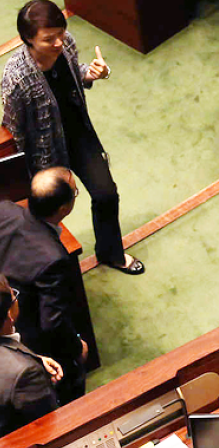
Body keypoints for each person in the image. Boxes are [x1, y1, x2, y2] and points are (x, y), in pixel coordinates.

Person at [1, 0, 143, 274]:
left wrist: (90, 74)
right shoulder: (16, 79)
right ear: (28, 40)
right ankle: (49, 268)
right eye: (48, 39)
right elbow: (14, 128)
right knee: (45, 217)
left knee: (106, 194)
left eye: (60, 33)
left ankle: (110, 252)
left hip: (78, 135)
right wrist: (27, 174)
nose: (58, 43)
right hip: (44, 152)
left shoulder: (67, 45)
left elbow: (74, 74)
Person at [0, 168, 88, 404]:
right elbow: (53, 322)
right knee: (71, 384)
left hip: (5, 316)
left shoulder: (5, 209)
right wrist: (76, 349)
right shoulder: (53, 258)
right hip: (27, 337)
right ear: (64, 209)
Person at [0, 274, 62, 436]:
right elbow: (47, 429)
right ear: (9, 315)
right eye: (14, 295)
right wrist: (25, 364)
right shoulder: (25, 375)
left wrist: (32, 357)